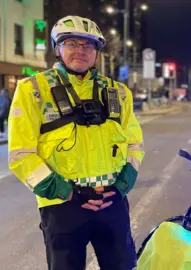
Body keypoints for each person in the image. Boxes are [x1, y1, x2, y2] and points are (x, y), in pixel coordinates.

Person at [8, 16, 144, 270]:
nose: (80, 50)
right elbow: (21, 155)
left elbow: (134, 144)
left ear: (96, 53)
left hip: (111, 202)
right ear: (58, 49)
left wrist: (122, 186)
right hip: (63, 207)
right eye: (71, 43)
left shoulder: (118, 92)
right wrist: (68, 192)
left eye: (88, 45)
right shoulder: (33, 90)